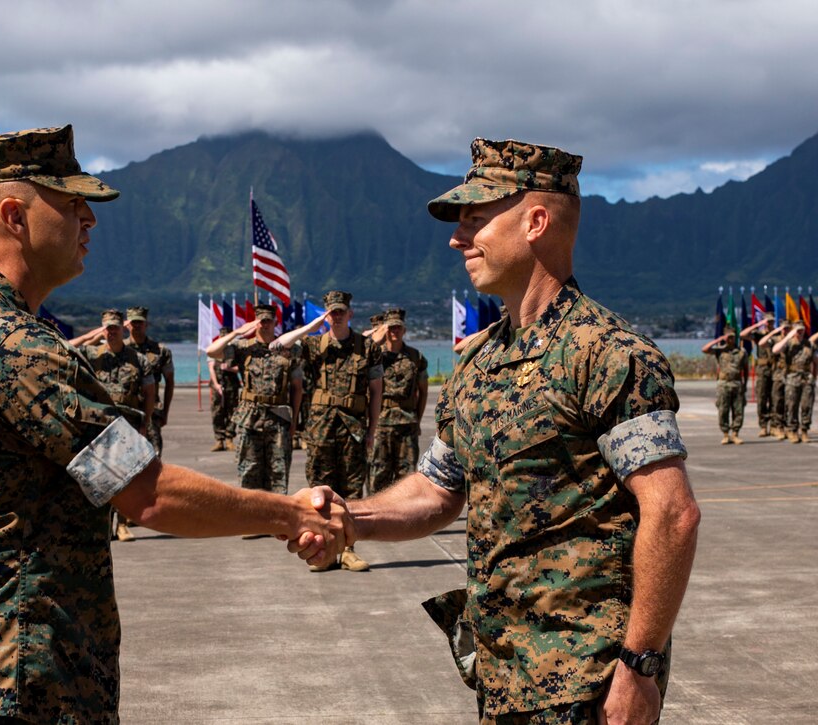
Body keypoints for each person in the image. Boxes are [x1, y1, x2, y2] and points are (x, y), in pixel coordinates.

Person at [0, 125, 347, 724]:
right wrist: (290, 514)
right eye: (72, 203)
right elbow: (147, 494)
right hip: (24, 685)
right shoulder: (18, 351)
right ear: (14, 217)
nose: (90, 220)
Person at [299, 138, 701, 723]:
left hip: (584, 684)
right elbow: (438, 489)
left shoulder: (611, 357)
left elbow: (673, 513)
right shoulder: (477, 361)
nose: (457, 239)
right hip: (502, 672)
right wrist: (349, 520)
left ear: (536, 221)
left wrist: (640, 666)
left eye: (476, 220)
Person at [274, 290, 382, 572]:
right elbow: (278, 346)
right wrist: (313, 325)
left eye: (341, 311)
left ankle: (348, 550)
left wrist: (373, 429)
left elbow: (376, 391)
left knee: (351, 491)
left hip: (354, 430)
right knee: (319, 494)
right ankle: (323, 553)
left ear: (350, 313)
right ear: (326, 314)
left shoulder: (367, 348)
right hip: (321, 429)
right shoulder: (313, 345)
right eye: (332, 312)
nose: (336, 316)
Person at [207, 304, 303, 501]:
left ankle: (277, 520)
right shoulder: (243, 348)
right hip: (250, 417)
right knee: (249, 468)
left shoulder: (288, 349)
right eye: (261, 321)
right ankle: (253, 521)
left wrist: (294, 423)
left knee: (279, 470)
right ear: (255, 323)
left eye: (269, 321)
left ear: (275, 322)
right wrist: (237, 332)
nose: (265, 325)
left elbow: (297, 388)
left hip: (279, 418)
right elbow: (211, 351)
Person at [77, 308, 156, 542]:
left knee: (125, 477)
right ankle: (102, 526)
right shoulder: (91, 354)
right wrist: (89, 336)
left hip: (128, 424)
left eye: (115, 327)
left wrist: (146, 422)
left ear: (124, 328)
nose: (111, 332)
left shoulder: (137, 359)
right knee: (98, 478)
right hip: (98, 425)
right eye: (107, 327)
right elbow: (65, 348)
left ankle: (122, 524)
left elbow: (150, 392)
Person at [368, 308, 429, 491]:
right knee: (378, 475)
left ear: (404, 330)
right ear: (385, 330)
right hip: (381, 423)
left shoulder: (415, 357)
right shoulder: (375, 356)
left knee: (407, 477)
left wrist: (417, 419)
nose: (395, 331)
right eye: (391, 328)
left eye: (398, 328)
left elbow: (423, 392)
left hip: (406, 423)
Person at [126, 306, 174, 456]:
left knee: (154, 455)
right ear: (127, 325)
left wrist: (165, 412)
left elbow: (170, 382)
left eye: (140, 322)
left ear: (146, 324)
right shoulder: (121, 349)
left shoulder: (160, 351)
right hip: (126, 410)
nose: (137, 326)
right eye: (133, 322)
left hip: (152, 411)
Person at [702, 329, 748, 444]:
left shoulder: (741, 352)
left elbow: (745, 370)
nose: (730, 339)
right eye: (728, 337)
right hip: (723, 384)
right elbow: (705, 349)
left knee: (738, 410)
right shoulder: (720, 350)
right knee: (723, 409)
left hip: (737, 383)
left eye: (732, 337)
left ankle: (735, 434)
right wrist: (719, 340)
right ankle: (726, 434)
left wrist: (745, 385)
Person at [773, 322, 816, 443]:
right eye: (797, 330)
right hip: (792, 378)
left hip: (806, 378)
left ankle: (804, 431)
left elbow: (815, 361)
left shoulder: (809, 344)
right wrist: (788, 336)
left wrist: (813, 377)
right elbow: (775, 350)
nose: (799, 332)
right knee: (791, 406)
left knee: (807, 406)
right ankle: (792, 430)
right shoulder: (788, 344)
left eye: (801, 330)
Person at [207, 325, 240, 452]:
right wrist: (216, 384)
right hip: (218, 385)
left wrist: (229, 369)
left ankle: (229, 439)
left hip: (232, 384)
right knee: (217, 412)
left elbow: (239, 368)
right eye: (222, 335)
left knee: (232, 411)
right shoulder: (214, 348)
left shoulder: (234, 350)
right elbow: (211, 368)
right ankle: (219, 440)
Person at [740, 319, 774, 436]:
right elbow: (742, 334)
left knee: (776, 399)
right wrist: (757, 325)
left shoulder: (777, 334)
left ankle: (775, 426)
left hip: (776, 369)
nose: (769, 324)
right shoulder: (759, 335)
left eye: (771, 322)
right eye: (767, 322)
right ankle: (763, 426)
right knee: (762, 398)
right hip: (763, 369)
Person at [760, 322, 790, 439]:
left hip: (790, 375)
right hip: (778, 374)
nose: (785, 330)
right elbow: (762, 343)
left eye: (787, 328)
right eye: (783, 328)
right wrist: (774, 332)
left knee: (789, 403)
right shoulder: (775, 339)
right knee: (777, 402)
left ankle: (788, 427)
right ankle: (778, 427)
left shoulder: (792, 340)